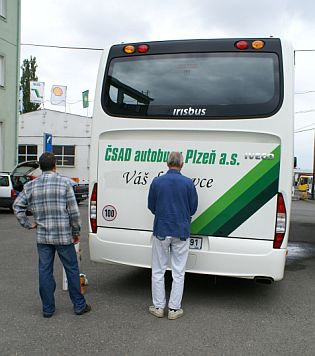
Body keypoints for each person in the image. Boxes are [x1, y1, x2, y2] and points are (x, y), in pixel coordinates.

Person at [13, 152, 91, 318]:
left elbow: (17, 206)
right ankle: (79, 305)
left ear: (40, 167)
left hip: (43, 236)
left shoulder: (31, 186)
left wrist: (27, 224)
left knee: (45, 271)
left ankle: (48, 309)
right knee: (71, 269)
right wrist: (76, 232)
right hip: (63, 235)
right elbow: (74, 212)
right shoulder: (64, 183)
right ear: (55, 165)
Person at [148, 151, 198, 320]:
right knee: (178, 271)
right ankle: (174, 309)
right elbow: (193, 208)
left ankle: (158, 307)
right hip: (181, 231)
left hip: (161, 229)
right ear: (181, 164)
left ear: (167, 163)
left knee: (158, 270)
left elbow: (151, 206)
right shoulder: (188, 183)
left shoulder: (157, 182)